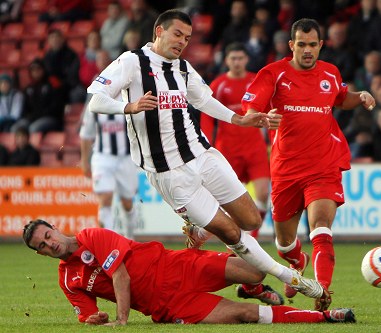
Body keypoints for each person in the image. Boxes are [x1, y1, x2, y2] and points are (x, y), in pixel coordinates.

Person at [86, 9, 326, 306]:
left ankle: (199, 228)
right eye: (177, 35)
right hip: (169, 172)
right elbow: (95, 99)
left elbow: (204, 100)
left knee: (250, 218)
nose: (182, 42)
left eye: (187, 38)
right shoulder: (132, 62)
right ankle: (294, 279)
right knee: (230, 232)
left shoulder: (183, 67)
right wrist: (129, 107)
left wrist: (238, 120)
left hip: (203, 154)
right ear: (159, 31)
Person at [241, 18, 376, 311]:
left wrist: (360, 97)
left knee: (321, 227)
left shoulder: (330, 72)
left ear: (320, 45)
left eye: (312, 45)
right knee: (284, 243)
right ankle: (297, 263)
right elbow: (251, 108)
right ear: (292, 45)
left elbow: (341, 98)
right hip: (286, 169)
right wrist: (262, 116)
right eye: (301, 45)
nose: (307, 50)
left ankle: (322, 293)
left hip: (324, 165)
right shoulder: (274, 73)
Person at [22, 219, 357, 325]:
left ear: (54, 228)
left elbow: (121, 276)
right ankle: (327, 319)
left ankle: (253, 287)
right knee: (244, 316)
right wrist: (95, 321)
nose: (50, 245)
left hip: (178, 265)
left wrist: (121, 320)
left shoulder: (91, 236)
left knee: (255, 274)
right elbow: (89, 316)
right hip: (169, 306)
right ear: (40, 253)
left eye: (47, 236)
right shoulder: (69, 280)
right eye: (42, 246)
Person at [200, 41, 271, 250]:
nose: (237, 62)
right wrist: (206, 143)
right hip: (228, 148)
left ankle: (252, 238)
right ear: (226, 60)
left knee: (263, 194)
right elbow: (206, 115)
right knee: (226, 200)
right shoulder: (218, 84)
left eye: (240, 58)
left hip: (255, 145)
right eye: (233, 58)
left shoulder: (255, 81)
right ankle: (230, 238)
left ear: (246, 60)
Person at [79, 99, 139, 239]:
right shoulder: (95, 104)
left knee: (127, 203)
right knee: (105, 198)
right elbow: (86, 135)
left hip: (126, 158)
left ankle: (130, 239)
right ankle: (108, 243)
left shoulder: (128, 99)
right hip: (102, 158)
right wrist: (84, 161)